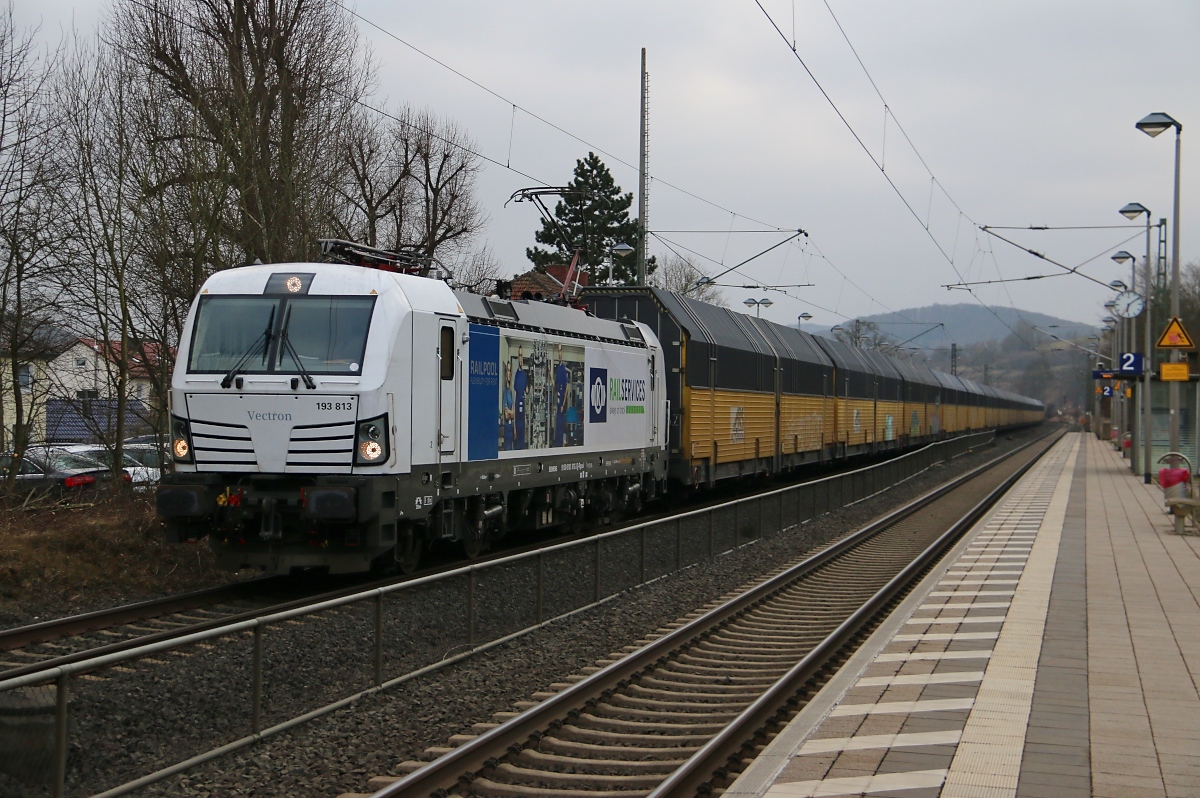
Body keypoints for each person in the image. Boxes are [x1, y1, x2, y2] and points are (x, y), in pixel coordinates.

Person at [553, 344, 569, 447]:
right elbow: (555, 386)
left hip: (561, 404)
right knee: (557, 424)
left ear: (562, 353)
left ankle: (560, 444)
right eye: (558, 351)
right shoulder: (558, 369)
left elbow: (567, 387)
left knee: (560, 424)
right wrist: (550, 374)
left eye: (560, 351)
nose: (559, 353)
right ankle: (558, 443)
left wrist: (563, 403)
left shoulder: (563, 368)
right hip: (558, 402)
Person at [513, 347, 528, 450]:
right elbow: (514, 396)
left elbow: (527, 391)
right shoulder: (517, 375)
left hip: (523, 416)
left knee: (523, 439)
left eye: (522, 356)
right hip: (517, 415)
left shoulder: (524, 374)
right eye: (519, 355)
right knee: (517, 440)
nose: (520, 358)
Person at [501, 363, 515, 450]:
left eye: (510, 371)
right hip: (507, 428)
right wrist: (511, 412)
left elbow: (514, 414)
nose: (509, 373)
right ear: (506, 373)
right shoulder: (505, 392)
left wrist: (511, 412)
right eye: (508, 371)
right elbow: (506, 416)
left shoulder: (511, 392)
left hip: (511, 428)